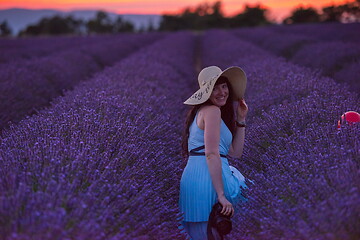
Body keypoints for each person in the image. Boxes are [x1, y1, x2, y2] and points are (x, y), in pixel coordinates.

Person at [179, 66, 248, 240]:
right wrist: (221, 195)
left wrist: (241, 119)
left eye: (224, 86)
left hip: (197, 176)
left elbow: (235, 152)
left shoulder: (203, 112)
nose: (221, 92)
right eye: (215, 88)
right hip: (209, 178)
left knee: (203, 232)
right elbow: (211, 154)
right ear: (206, 92)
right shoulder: (212, 111)